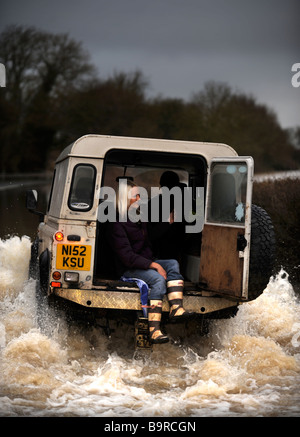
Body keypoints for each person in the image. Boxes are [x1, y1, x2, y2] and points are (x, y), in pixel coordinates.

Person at [108, 179, 194, 344]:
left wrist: (167, 224)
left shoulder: (138, 218)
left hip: (144, 262)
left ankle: (176, 308)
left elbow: (150, 241)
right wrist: (153, 265)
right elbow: (127, 257)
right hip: (128, 268)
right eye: (135, 196)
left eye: (140, 195)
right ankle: (154, 330)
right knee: (157, 279)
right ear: (125, 198)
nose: (139, 199)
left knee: (173, 263)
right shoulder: (116, 223)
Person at [147, 171, 186, 261]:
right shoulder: (184, 201)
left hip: (157, 248)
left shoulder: (153, 202)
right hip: (175, 246)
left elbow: (149, 231)